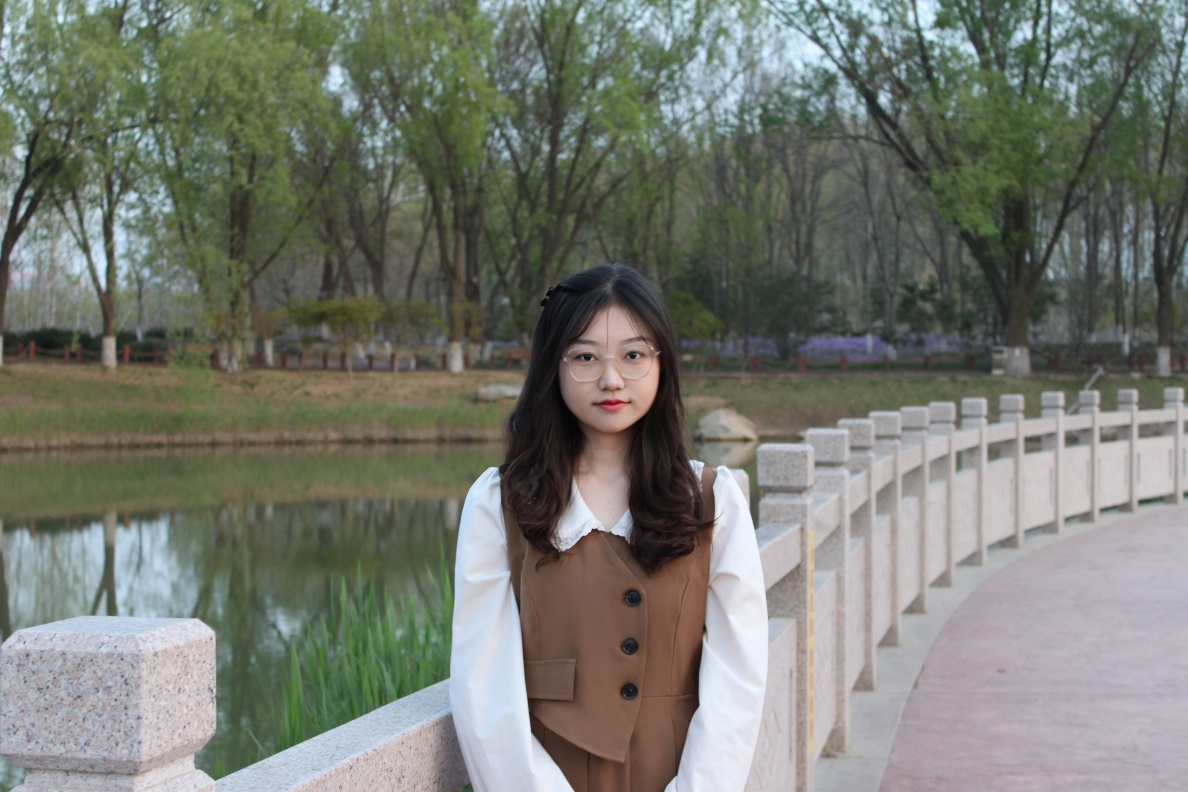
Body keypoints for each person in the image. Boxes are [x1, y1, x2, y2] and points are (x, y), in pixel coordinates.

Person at [450, 264, 767, 792]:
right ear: (552, 365)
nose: (611, 379)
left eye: (634, 355)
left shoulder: (712, 500)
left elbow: (739, 677)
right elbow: (482, 685)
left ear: (662, 364)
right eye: (585, 357)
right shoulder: (498, 504)